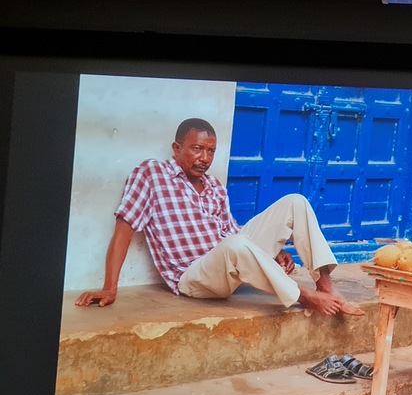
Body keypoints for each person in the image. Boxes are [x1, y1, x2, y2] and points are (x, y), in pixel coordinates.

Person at [76, 118, 363, 316]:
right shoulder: (151, 174)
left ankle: (324, 284)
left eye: (211, 151)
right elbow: (124, 229)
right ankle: (305, 296)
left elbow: (233, 233)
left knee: (296, 202)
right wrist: (109, 288)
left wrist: (274, 254)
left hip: (227, 263)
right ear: (176, 149)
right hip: (193, 277)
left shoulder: (214, 186)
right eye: (196, 149)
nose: (204, 158)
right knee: (234, 246)